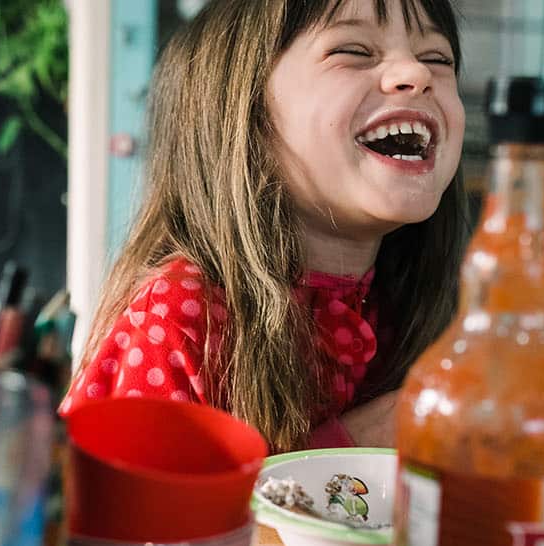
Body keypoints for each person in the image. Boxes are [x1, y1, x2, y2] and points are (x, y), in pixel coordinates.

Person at [59, 0, 469, 452]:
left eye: (438, 58)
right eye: (353, 50)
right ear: (247, 114)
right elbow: (135, 519)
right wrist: (343, 450)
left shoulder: (423, 311)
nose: (416, 72)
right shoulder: (182, 320)